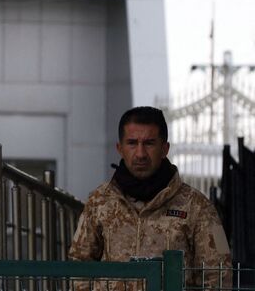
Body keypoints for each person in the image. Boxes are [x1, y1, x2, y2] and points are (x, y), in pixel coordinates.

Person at [69, 107, 231, 288]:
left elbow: (220, 272)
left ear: (164, 149)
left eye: (149, 143)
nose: (140, 154)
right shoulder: (99, 201)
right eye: (132, 143)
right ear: (120, 148)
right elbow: (79, 262)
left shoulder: (200, 207)